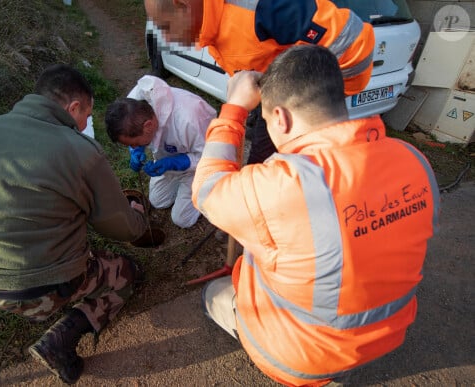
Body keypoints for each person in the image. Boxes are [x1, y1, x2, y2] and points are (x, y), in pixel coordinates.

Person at [191, 45, 440, 386]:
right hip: (387, 334)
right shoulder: (414, 161)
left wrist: (233, 109)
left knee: (214, 295)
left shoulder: (280, 186)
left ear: (280, 118)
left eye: (266, 121)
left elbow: (206, 190)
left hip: (297, 357)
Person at [0, 64, 148, 384]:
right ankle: (60, 341)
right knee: (128, 273)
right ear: (73, 107)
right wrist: (138, 216)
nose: (86, 124)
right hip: (30, 287)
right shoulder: (80, 150)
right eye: (86, 117)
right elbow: (121, 228)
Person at [144, 0, 375, 164]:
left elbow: (353, 41)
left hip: (303, 101)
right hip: (277, 97)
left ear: (182, 5)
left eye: (166, 27)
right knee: (262, 163)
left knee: (271, 168)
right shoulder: (212, 25)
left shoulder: (262, 7)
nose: (166, 38)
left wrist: (306, 100)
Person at [105, 75, 216, 228]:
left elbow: (213, 157)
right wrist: (135, 151)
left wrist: (178, 162)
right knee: (158, 201)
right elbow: (133, 136)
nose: (136, 147)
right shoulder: (132, 104)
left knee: (182, 220)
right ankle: (182, 188)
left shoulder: (191, 118)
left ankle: (204, 191)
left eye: (136, 144)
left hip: (199, 164)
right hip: (168, 155)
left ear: (148, 125)